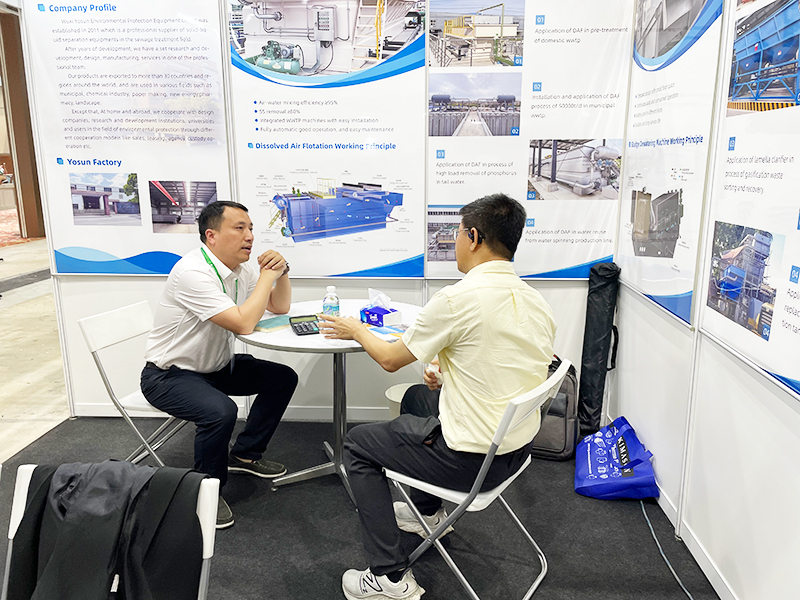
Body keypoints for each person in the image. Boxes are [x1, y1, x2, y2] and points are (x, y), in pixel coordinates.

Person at [319, 193, 557, 600]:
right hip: (516, 452)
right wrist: (448, 375)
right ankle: (427, 513)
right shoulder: (535, 301)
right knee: (418, 397)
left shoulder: (456, 299)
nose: (456, 241)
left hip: (469, 463)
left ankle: (389, 577)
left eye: (458, 233)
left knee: (357, 445)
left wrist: (356, 330)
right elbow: (505, 363)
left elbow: (390, 359)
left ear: (474, 237)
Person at [140, 200, 298, 530]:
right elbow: (243, 323)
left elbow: (279, 306)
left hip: (215, 368)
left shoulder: (239, 269)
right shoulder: (192, 273)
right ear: (211, 236)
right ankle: (204, 494)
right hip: (168, 376)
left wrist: (281, 273)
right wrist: (267, 275)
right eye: (239, 228)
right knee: (220, 411)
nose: (249, 236)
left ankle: (245, 454)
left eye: (251, 228)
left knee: (282, 377)